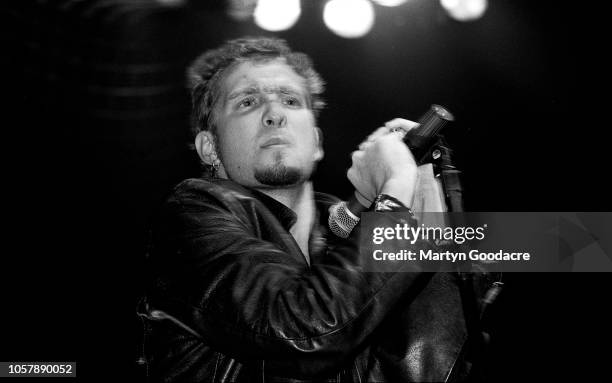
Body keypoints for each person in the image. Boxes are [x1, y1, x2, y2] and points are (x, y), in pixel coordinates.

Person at [139, 37, 498, 382]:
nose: (274, 114)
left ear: (316, 142)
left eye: (292, 101)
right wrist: (394, 192)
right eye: (247, 101)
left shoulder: (354, 237)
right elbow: (303, 331)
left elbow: (418, 369)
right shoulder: (192, 215)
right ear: (209, 148)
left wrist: (423, 209)